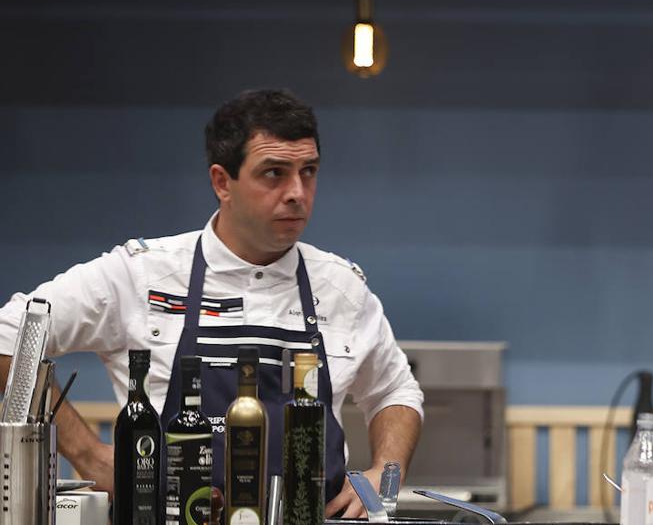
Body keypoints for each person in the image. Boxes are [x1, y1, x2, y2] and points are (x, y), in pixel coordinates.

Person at [0, 89, 423, 519]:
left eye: (308, 171)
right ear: (222, 182)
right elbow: (8, 338)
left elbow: (395, 389)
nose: (297, 192)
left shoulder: (342, 287)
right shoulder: (141, 275)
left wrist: (384, 475)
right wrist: (88, 453)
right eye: (274, 173)